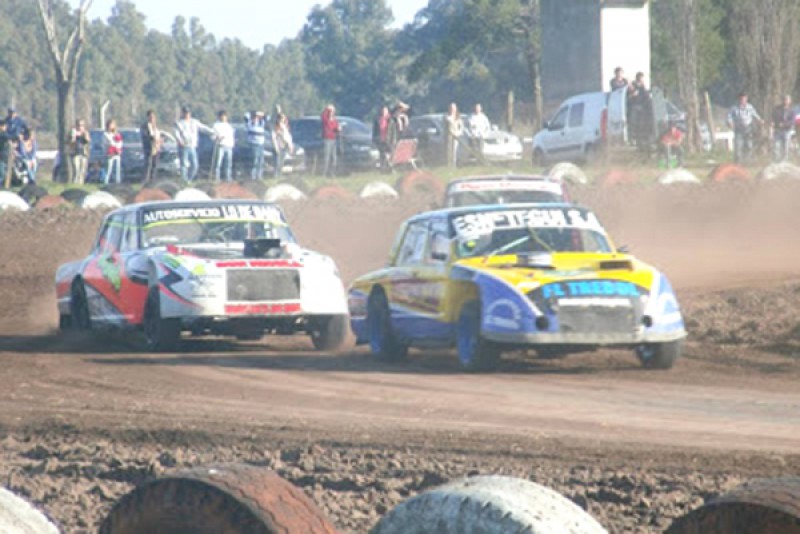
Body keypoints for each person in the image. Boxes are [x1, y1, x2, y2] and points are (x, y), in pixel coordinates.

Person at [175, 106, 213, 182]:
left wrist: (213, 132)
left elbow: (203, 128)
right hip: (184, 146)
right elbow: (177, 134)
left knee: (195, 165)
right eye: (185, 113)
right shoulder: (179, 123)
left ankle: (188, 180)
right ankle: (184, 181)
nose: (187, 114)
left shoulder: (194, 122)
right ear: (182, 113)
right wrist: (180, 141)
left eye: (188, 113)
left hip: (192, 147)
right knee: (184, 165)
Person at [727, 92, 764, 164]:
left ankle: (747, 160)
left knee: (749, 144)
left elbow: (755, 114)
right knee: (738, 145)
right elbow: (729, 116)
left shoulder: (750, 107)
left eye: (744, 99)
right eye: (742, 99)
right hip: (739, 129)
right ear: (739, 99)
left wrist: (760, 120)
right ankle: (737, 161)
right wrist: (730, 122)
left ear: (746, 99)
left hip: (748, 128)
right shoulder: (734, 108)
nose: (743, 101)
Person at [628, 72, 651, 148]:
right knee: (633, 123)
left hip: (642, 107)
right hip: (634, 106)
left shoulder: (643, 86)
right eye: (640, 78)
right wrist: (633, 94)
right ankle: (632, 138)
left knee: (642, 123)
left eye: (642, 78)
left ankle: (641, 139)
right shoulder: (633, 85)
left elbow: (646, 96)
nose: (641, 80)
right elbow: (629, 96)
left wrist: (644, 88)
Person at [771, 95, 795, 162]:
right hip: (778, 130)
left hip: (787, 131)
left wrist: (784, 124)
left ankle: (784, 160)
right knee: (776, 146)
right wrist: (773, 122)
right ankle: (776, 160)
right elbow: (773, 116)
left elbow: (792, 121)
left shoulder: (791, 110)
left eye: (787, 100)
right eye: (785, 99)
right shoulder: (777, 108)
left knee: (785, 146)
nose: (786, 101)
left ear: (790, 101)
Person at [213, 110, 235, 181]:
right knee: (218, 163)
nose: (224, 118)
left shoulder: (229, 126)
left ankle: (228, 178)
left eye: (225, 116)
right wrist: (217, 138)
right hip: (220, 146)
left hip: (229, 146)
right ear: (219, 117)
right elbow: (213, 135)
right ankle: (217, 178)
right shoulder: (216, 125)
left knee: (228, 164)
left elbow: (231, 136)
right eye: (222, 116)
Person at [245, 111, 267, 180]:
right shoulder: (249, 124)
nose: (255, 119)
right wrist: (254, 113)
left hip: (261, 145)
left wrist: (260, 114)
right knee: (255, 161)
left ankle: (259, 176)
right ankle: (253, 176)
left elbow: (267, 117)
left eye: (257, 118)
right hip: (254, 145)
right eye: (254, 118)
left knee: (261, 161)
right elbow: (246, 115)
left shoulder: (261, 123)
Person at [140, 110, 161, 183]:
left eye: (153, 117)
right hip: (149, 148)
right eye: (150, 117)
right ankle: (145, 180)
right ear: (148, 117)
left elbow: (158, 135)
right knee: (148, 164)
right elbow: (145, 136)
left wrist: (159, 140)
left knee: (154, 165)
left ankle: (153, 180)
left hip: (156, 148)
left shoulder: (155, 126)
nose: (152, 118)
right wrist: (152, 138)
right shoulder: (145, 126)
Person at [68, 118, 90, 185]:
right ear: (76, 125)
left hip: (83, 153)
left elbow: (88, 141)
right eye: (79, 125)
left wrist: (85, 135)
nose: (80, 127)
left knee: (82, 171)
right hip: (75, 153)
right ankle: (74, 184)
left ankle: (81, 184)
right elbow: (70, 142)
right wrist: (73, 136)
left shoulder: (85, 133)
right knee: (76, 170)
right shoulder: (72, 133)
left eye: (82, 125)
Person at [321, 104, 340, 177]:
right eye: (331, 111)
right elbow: (323, 115)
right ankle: (324, 173)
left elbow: (336, 128)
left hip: (333, 140)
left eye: (333, 111)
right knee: (327, 157)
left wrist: (338, 129)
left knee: (334, 158)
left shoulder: (335, 120)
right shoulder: (326, 119)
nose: (332, 112)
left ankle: (332, 173)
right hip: (327, 140)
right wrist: (328, 108)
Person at [271, 112, 293, 178]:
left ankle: (279, 175)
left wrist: (290, 146)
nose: (283, 119)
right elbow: (273, 138)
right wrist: (276, 148)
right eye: (281, 118)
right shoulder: (275, 127)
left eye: (284, 118)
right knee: (277, 162)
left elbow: (288, 137)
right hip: (278, 146)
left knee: (281, 162)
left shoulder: (285, 126)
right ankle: (276, 175)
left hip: (284, 146)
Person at [444, 102, 464, 168]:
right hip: (449, 136)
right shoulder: (447, 117)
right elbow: (447, 128)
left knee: (454, 151)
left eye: (454, 108)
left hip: (456, 136)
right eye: (451, 108)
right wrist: (451, 133)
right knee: (449, 151)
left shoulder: (458, 117)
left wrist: (458, 133)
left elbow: (461, 127)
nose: (452, 109)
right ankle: (448, 164)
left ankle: (454, 165)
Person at [103, 119, 123, 184]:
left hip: (117, 153)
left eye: (112, 125)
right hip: (110, 153)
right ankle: (106, 182)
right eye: (110, 125)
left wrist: (118, 149)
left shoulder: (117, 134)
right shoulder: (106, 134)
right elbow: (110, 142)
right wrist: (113, 146)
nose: (111, 126)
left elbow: (120, 143)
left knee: (117, 169)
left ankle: (118, 182)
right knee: (109, 169)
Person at [372, 105, 392, 171]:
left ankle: (387, 167)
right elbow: (374, 131)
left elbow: (393, 131)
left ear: (387, 111)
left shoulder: (390, 120)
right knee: (382, 154)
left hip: (388, 140)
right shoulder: (377, 120)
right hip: (380, 140)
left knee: (388, 154)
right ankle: (383, 167)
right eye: (382, 111)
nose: (383, 112)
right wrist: (374, 139)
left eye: (385, 111)